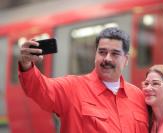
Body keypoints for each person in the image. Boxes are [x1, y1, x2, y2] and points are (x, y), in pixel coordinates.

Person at [18, 27, 148, 133]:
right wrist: (26, 65)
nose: (107, 58)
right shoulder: (72, 88)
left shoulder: (138, 97)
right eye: (102, 52)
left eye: (115, 53)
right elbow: (39, 88)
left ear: (126, 60)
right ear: (95, 54)